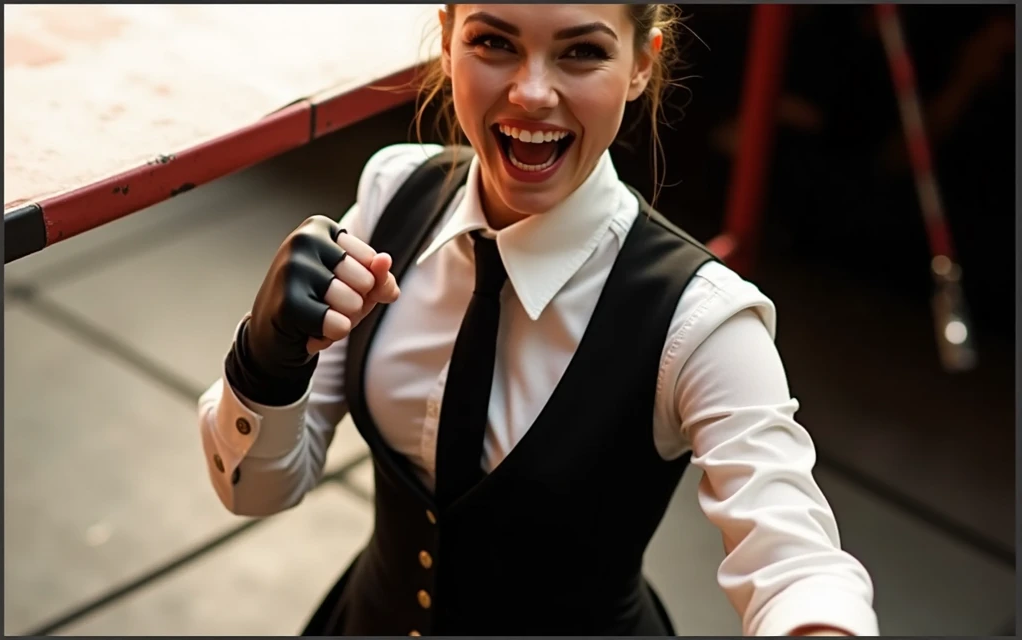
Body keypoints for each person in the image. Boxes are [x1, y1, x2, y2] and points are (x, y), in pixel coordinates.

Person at [197, 4, 879, 636]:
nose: (531, 92)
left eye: (581, 52)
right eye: (494, 42)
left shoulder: (700, 320)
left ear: (643, 63)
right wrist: (265, 362)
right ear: (446, 37)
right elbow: (257, 489)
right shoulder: (391, 198)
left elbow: (794, 561)